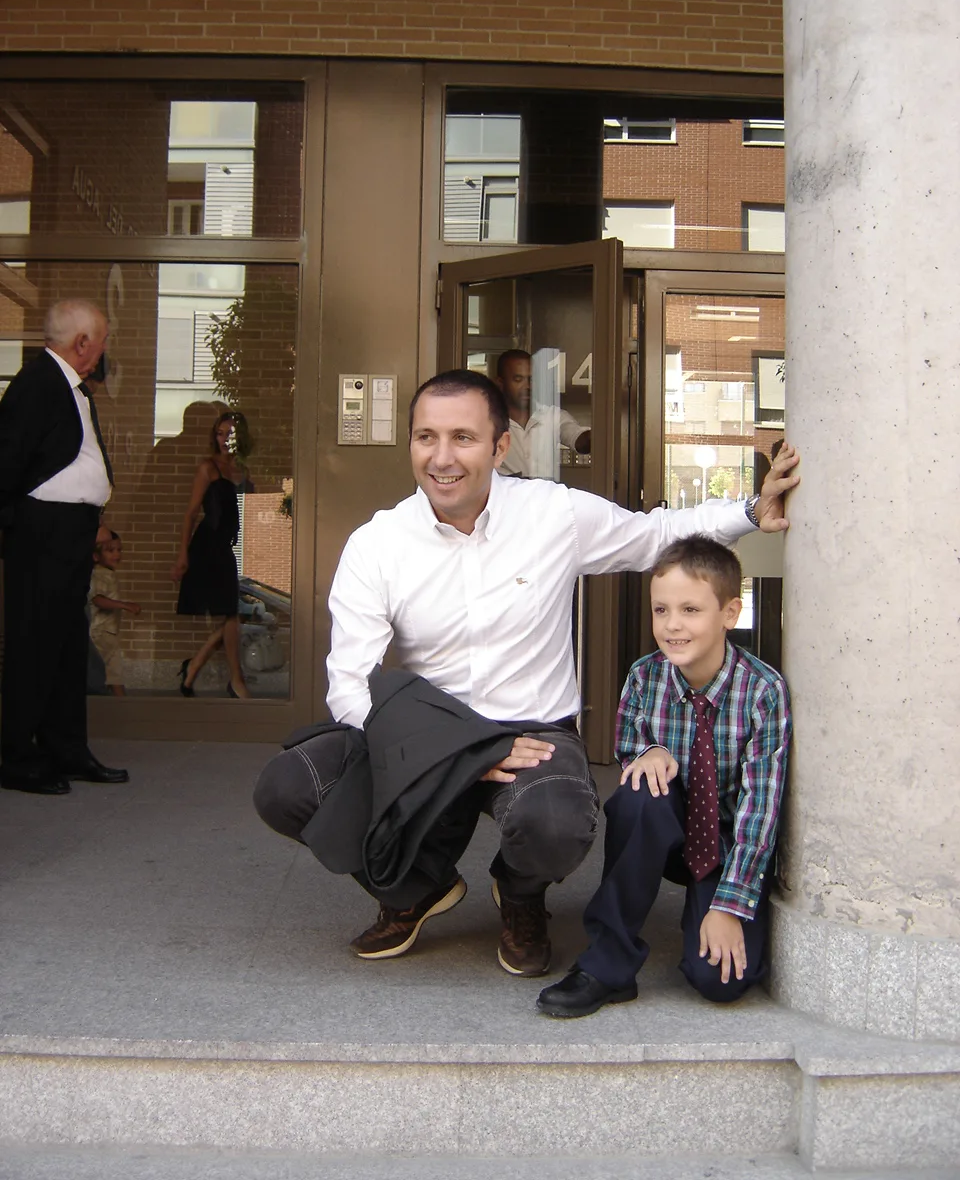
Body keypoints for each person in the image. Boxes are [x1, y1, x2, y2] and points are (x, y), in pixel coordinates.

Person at [253, 369, 799, 977]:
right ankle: (415, 887)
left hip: (534, 730)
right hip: (427, 734)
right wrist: (452, 752)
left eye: (463, 437)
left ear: (500, 447)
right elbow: (349, 687)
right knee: (291, 786)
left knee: (557, 822)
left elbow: (654, 535)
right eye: (426, 437)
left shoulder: (552, 513)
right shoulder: (377, 544)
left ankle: (519, 894)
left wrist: (750, 511)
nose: (441, 458)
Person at [536, 536, 791, 1018]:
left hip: (724, 842)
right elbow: (628, 744)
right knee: (640, 793)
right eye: (661, 610)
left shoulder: (763, 692)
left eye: (690, 610)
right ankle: (607, 963)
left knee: (719, 982)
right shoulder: (644, 677)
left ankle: (707, 911)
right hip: (663, 830)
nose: (672, 625)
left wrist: (729, 906)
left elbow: (761, 811)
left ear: (730, 613)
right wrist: (647, 752)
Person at [0, 299, 129, 794]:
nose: (102, 350)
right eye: (101, 341)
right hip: (43, 532)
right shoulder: (37, 385)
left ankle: (66, 749)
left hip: (70, 530)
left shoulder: (69, 386)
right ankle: (17, 756)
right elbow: (7, 463)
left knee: (68, 645)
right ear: (82, 343)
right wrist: (22, 526)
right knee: (34, 643)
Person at [172, 410, 254, 699]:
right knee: (230, 613)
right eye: (220, 433)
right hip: (207, 547)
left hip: (225, 547)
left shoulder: (241, 469)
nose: (224, 439)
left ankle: (193, 667)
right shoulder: (208, 468)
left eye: (230, 434)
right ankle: (236, 680)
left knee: (231, 615)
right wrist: (182, 555)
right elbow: (191, 513)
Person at [495, 349, 590, 478]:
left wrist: (597, 436)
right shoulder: (488, 420)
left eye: (531, 379)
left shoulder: (552, 416)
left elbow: (578, 438)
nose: (527, 386)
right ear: (500, 383)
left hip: (544, 491)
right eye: (518, 379)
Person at [88, 530, 141, 696]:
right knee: (99, 673)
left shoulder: (108, 574)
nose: (117, 554)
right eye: (110, 550)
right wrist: (124, 605)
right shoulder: (99, 574)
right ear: (96, 556)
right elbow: (98, 599)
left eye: (119, 550)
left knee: (115, 674)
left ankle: (121, 704)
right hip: (100, 634)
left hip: (109, 634)